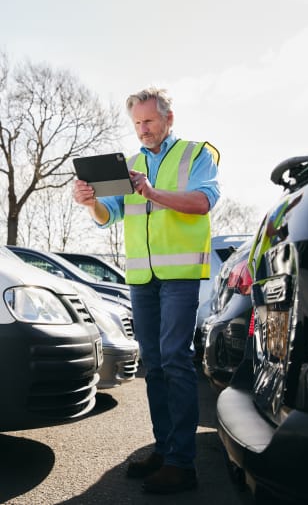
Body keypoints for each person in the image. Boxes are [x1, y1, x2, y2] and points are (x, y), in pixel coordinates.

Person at [73, 87, 221, 495]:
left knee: (175, 359)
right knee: (153, 364)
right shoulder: (130, 165)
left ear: (168, 120)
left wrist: (151, 191)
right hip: (141, 279)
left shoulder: (196, 154)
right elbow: (110, 215)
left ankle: (182, 463)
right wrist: (89, 202)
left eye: (149, 121)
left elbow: (202, 202)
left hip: (180, 275)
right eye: (137, 123)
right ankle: (165, 448)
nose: (143, 129)